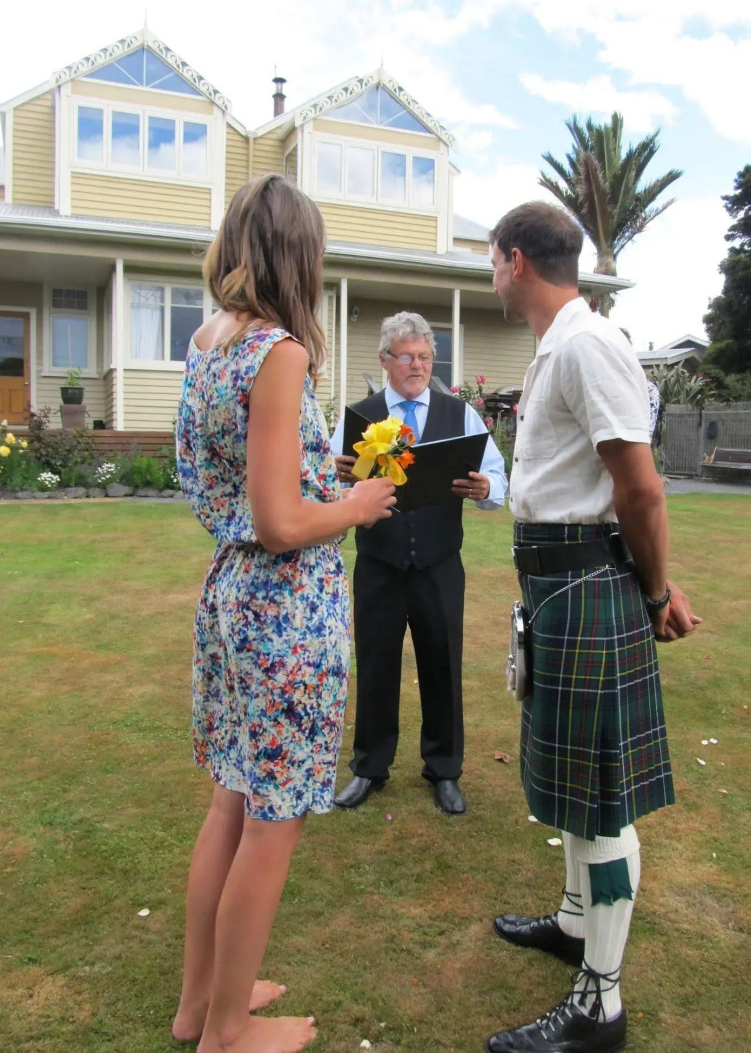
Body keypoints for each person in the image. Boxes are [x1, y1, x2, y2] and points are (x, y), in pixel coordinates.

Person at [172, 175, 395, 1053]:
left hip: (231, 597)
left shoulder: (206, 340)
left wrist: (318, 486)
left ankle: (201, 1003)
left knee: (231, 799)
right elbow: (280, 523)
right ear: (296, 256)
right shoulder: (280, 352)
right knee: (273, 821)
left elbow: (257, 490)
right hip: (284, 610)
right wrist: (357, 504)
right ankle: (228, 1032)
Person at [484, 202, 702, 1053]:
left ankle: (599, 1006)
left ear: (513, 261)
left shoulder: (584, 344)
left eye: (489, 261)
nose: (488, 274)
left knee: (602, 799)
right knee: (577, 784)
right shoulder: (558, 347)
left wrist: (653, 595)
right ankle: (577, 922)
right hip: (557, 585)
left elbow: (639, 489)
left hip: (584, 585)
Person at [330, 312, 508, 816]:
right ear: (385, 360)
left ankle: (444, 770)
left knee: (443, 664)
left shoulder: (461, 415)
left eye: (426, 357)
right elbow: (328, 486)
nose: (417, 366)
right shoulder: (357, 418)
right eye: (407, 356)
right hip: (379, 563)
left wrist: (487, 487)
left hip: (438, 563)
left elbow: (496, 475)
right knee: (376, 664)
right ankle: (369, 768)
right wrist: (338, 473)